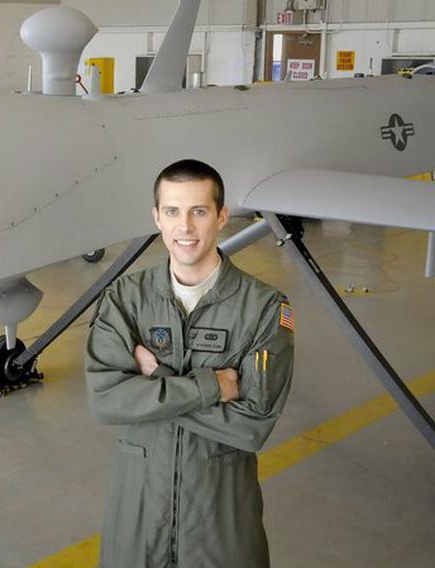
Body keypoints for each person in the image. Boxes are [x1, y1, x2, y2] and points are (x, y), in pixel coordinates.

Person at [85, 159, 295, 568]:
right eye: (172, 212)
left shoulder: (264, 308)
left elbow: (252, 425)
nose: (185, 227)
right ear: (157, 218)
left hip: (221, 526)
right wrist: (211, 387)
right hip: (138, 522)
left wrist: (155, 379)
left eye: (199, 211)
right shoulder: (126, 298)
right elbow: (105, 401)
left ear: (221, 217)